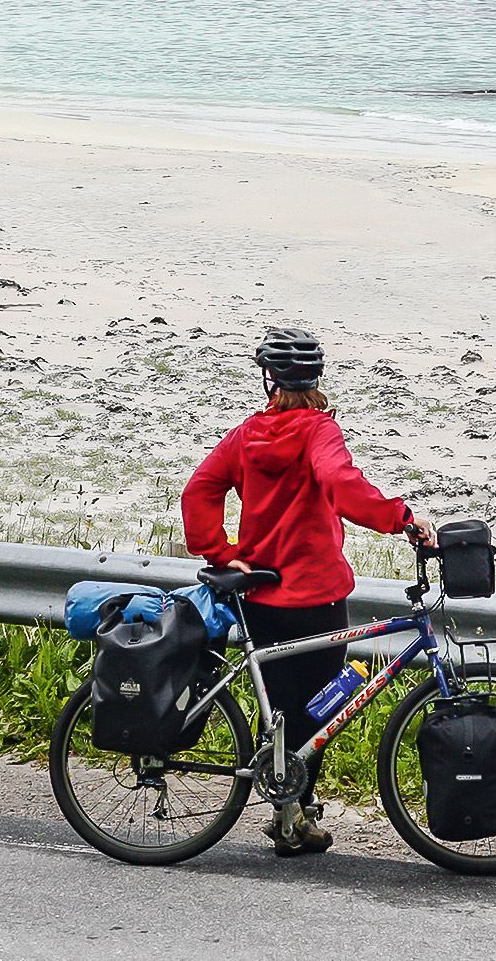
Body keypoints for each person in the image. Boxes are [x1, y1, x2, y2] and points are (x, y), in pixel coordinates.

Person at [181, 326, 428, 857]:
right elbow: (342, 487)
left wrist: (220, 552)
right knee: (319, 713)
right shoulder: (319, 431)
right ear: (317, 376)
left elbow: (199, 488)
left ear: (268, 377)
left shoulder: (247, 435)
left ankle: (289, 814)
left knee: (285, 712)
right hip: (317, 597)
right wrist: (400, 517)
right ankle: (294, 817)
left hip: (262, 595)